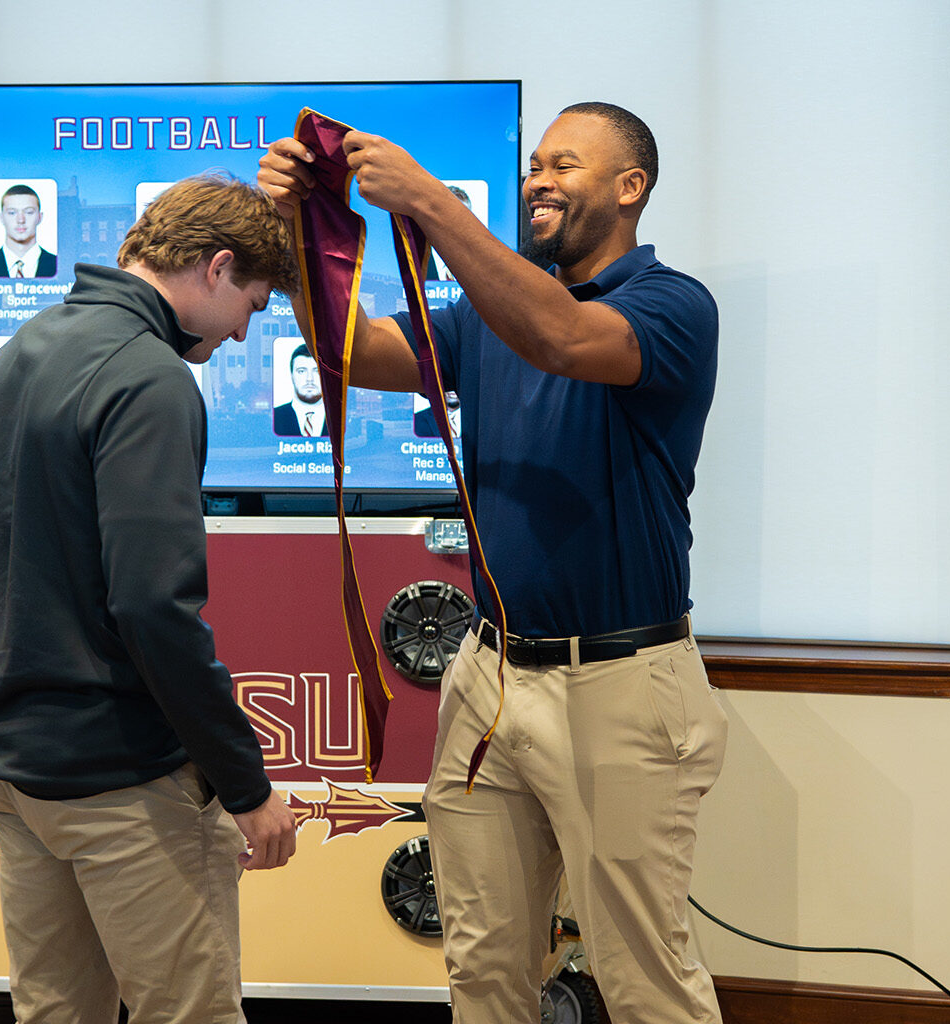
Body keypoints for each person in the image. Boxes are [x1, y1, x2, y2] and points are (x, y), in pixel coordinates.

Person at [260, 102, 726, 1024]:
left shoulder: (672, 306)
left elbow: (558, 335)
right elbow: (349, 348)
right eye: (534, 166)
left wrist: (433, 203)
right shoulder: (487, 314)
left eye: (566, 165)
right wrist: (294, 235)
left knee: (642, 977)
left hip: (621, 684)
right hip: (492, 676)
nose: (538, 180)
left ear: (631, 189)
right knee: (481, 965)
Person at [0, 171, 299, 1024]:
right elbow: (153, 608)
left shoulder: (14, 357)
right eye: (253, 306)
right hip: (118, 775)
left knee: (56, 1015)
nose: (244, 334)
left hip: (13, 762)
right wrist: (246, 786)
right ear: (217, 269)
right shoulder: (149, 377)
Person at [0, 183, 58, 278]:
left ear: (40, 217)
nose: (20, 220)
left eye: (29, 212)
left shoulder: (58, 265)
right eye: (12, 213)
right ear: (1, 217)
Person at [271, 342, 327, 436]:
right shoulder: (275, 416)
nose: (310, 379)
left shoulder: (341, 417)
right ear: (291, 375)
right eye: (301, 371)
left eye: (317, 371)